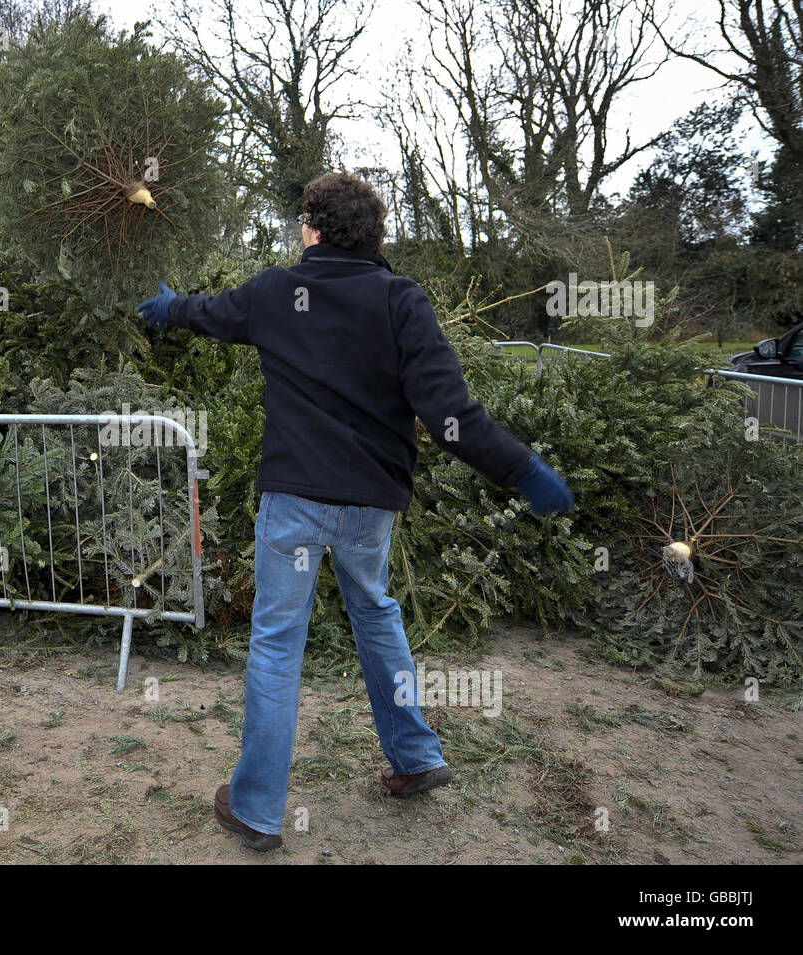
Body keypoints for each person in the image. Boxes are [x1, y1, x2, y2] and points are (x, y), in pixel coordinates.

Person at [137, 171, 574, 852]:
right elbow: (450, 415)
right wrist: (522, 469)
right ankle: (416, 757)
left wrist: (167, 309)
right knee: (375, 613)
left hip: (294, 503)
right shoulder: (403, 301)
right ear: (376, 234)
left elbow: (212, 312)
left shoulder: (277, 293)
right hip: (371, 505)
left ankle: (255, 809)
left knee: (279, 644)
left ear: (311, 229)